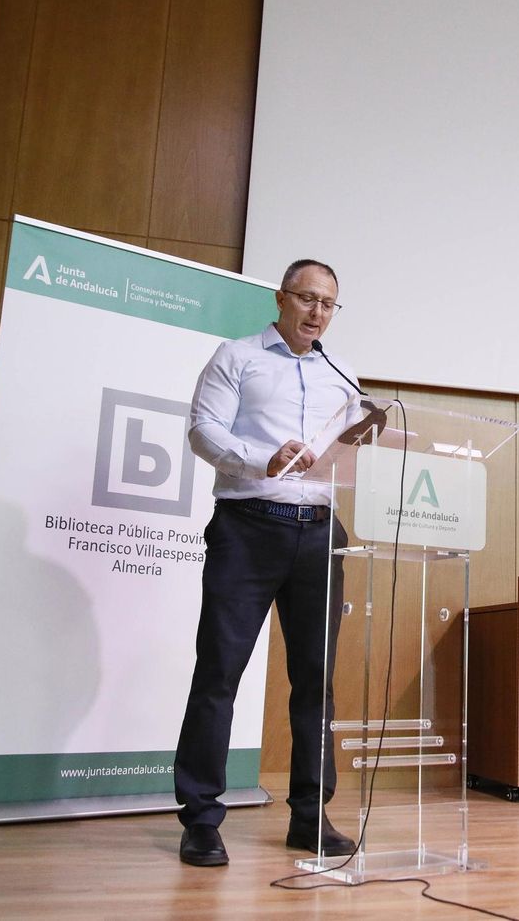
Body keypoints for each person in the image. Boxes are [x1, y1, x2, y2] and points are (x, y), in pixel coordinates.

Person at [174, 259, 361, 867]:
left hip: (320, 534)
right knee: (219, 671)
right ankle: (201, 818)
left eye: (328, 304)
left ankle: (309, 816)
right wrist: (263, 458)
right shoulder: (237, 357)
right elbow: (202, 430)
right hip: (249, 528)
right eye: (307, 299)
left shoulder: (342, 375)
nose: (317, 313)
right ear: (281, 299)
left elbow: (352, 452)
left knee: (315, 680)